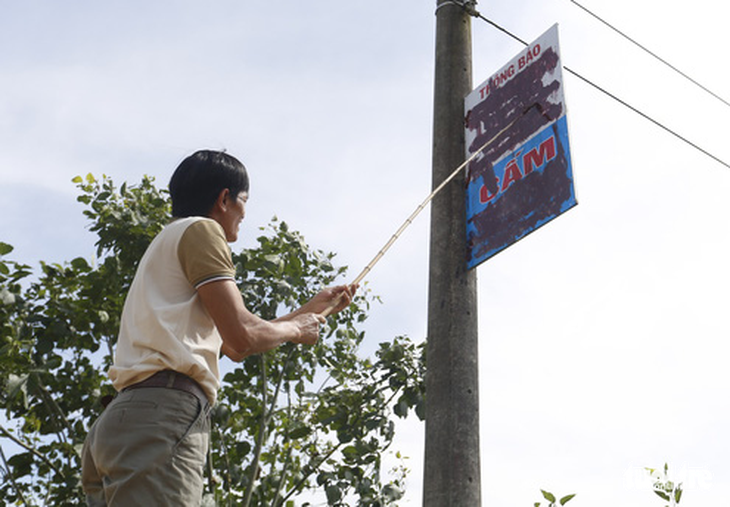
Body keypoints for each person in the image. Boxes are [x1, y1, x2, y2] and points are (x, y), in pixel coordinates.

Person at [81, 150, 353, 506]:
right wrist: (297, 329)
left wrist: (309, 311)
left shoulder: (166, 244)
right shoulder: (203, 230)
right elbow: (243, 334)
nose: (244, 213)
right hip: (160, 418)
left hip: (121, 425)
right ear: (224, 198)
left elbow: (235, 346)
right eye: (244, 200)